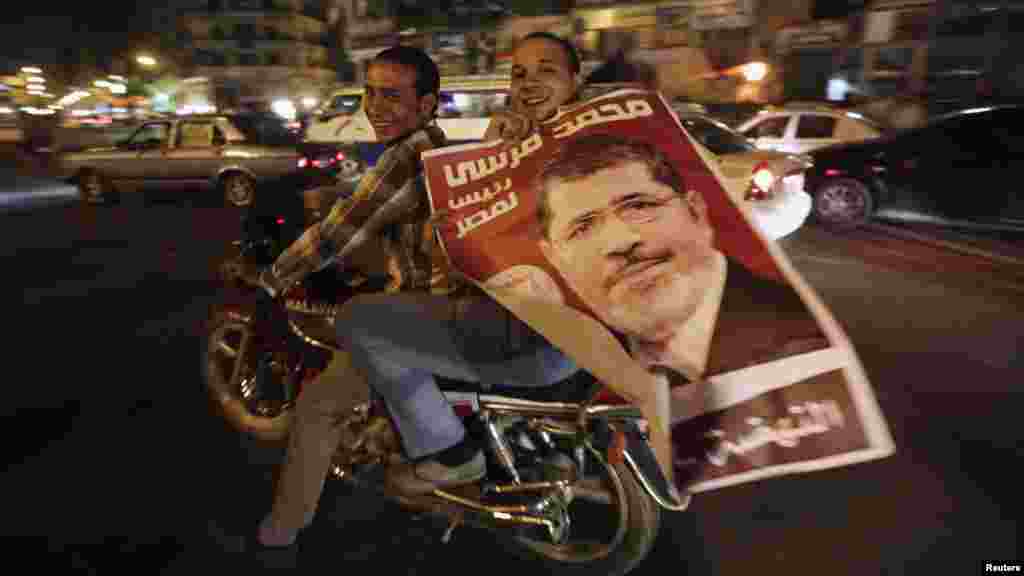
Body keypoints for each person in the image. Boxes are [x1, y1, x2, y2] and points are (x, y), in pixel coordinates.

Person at [248, 45, 577, 554]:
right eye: (371, 93)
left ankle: (282, 529)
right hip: (480, 304)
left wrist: (270, 278)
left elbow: (342, 230)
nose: (376, 106)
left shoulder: (408, 156)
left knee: (318, 405)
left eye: (393, 96)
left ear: (426, 106)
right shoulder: (444, 145)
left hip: (443, 313)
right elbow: (394, 222)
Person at [533, 133, 830, 382]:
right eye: (583, 227)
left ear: (696, 212)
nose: (621, 241)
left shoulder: (807, 338)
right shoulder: (580, 359)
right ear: (555, 260)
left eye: (639, 206)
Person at [484, 31, 583, 141]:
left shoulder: (599, 145)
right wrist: (492, 149)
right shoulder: (501, 138)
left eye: (546, 70)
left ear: (575, 82)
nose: (528, 83)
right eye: (519, 74)